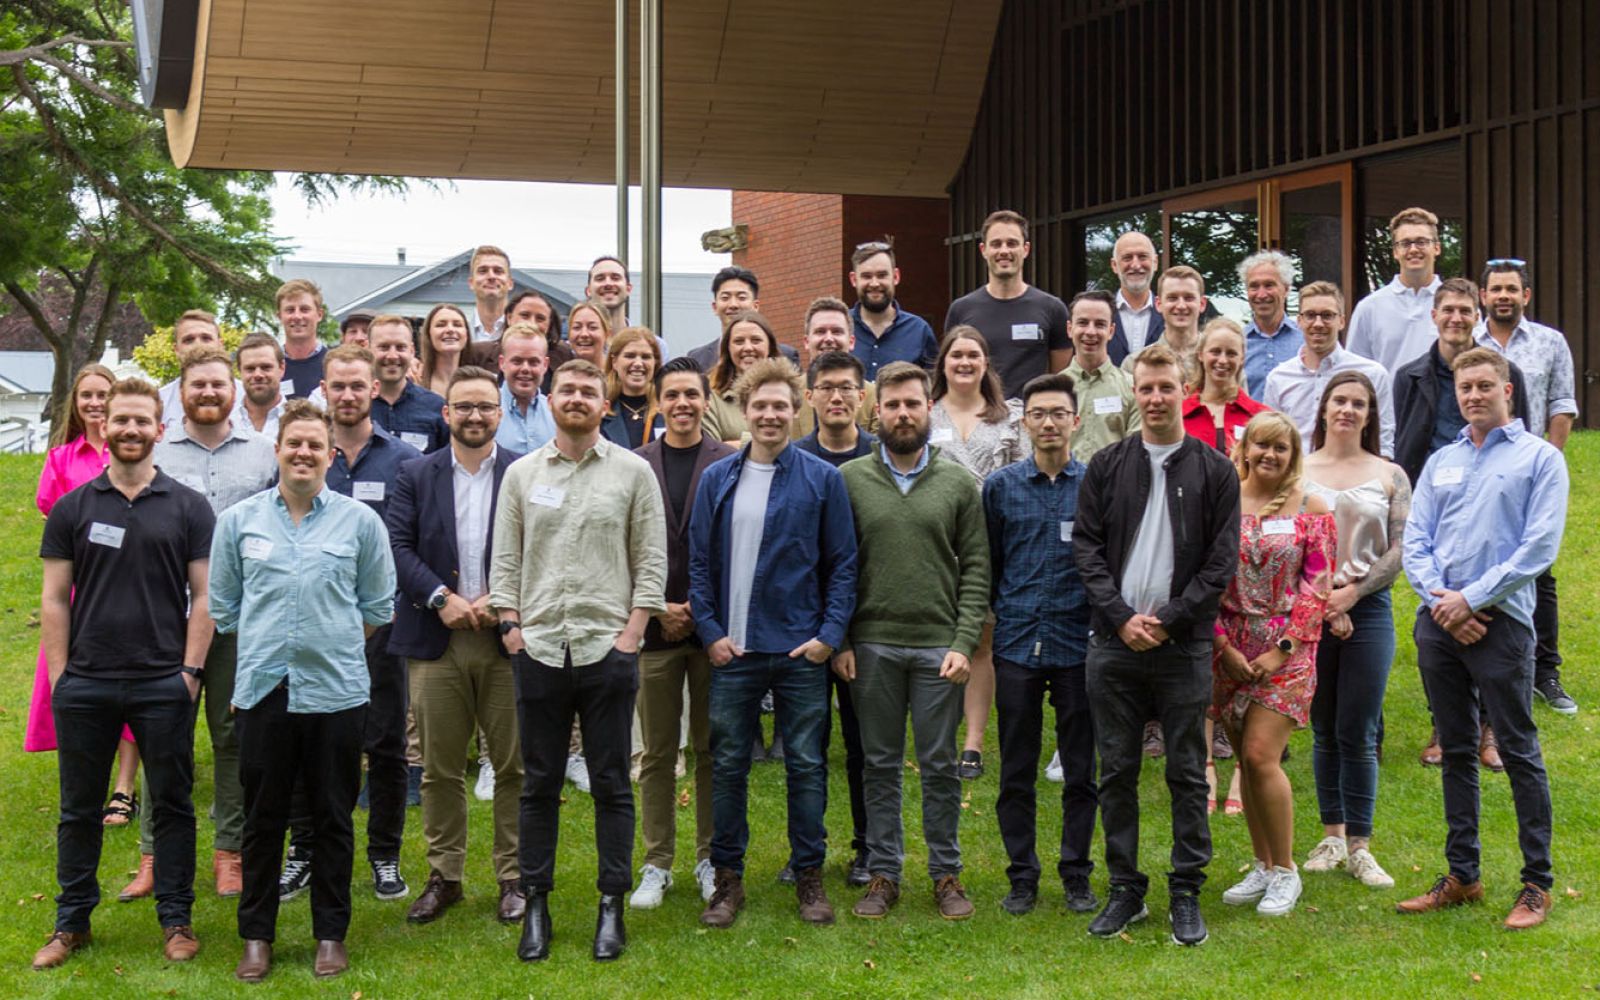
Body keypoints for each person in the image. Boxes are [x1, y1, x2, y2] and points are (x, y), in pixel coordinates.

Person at [32, 378, 215, 972]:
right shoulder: (73, 507)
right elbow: (55, 598)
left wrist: (189, 671)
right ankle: (71, 923)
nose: (131, 430)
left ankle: (177, 919)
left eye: (142, 420)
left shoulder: (188, 506)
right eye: (121, 421)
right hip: (87, 681)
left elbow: (206, 595)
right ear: (103, 428)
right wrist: (61, 676)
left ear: (159, 429)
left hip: (164, 681)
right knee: (78, 808)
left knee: (173, 804)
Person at [210, 400, 396, 981]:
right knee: (263, 818)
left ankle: (330, 935)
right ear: (278, 449)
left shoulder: (360, 523)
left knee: (333, 816)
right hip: (264, 688)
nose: (304, 453)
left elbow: (376, 607)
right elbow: (225, 608)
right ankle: (256, 937)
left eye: (316, 445)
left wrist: (325, 639)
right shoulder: (239, 522)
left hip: (337, 690)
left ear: (330, 454)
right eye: (294, 443)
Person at [490, 359, 668, 962]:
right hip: (538, 646)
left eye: (588, 391)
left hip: (606, 647)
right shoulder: (520, 475)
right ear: (550, 398)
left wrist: (633, 633)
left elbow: (650, 558)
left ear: (603, 401)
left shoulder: (633, 472)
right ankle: (535, 903)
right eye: (566, 389)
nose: (576, 398)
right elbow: (505, 560)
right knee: (537, 783)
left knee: (613, 782)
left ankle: (610, 904)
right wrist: (510, 627)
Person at [1072, 343, 1239, 946]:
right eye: (1146, 388)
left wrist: (1168, 619)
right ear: (1135, 393)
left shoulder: (1216, 470)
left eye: (1166, 387)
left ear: (1183, 388)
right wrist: (1120, 617)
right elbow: (1086, 551)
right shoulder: (1107, 465)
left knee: (1188, 772)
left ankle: (1186, 890)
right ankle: (1125, 889)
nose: (1156, 398)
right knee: (1115, 769)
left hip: (1183, 645)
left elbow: (1220, 563)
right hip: (1113, 644)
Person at [1396, 347, 1567, 931]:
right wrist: (1444, 602)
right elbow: (1415, 539)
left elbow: (1539, 548)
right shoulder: (1442, 461)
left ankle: (1536, 884)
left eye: (1484, 386)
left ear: (1507, 391)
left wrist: (1472, 599)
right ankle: (1463, 875)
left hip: (1502, 625)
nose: (1472, 395)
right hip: (1439, 622)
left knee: (1518, 749)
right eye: (1464, 387)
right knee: (1457, 751)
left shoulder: (1540, 460)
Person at [689, 359, 858, 928]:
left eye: (779, 405)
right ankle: (727, 880)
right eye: (758, 404)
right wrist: (710, 633)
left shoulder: (822, 479)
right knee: (729, 765)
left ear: (796, 409)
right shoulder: (717, 479)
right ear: (744, 408)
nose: (769, 414)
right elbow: (698, 565)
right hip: (732, 653)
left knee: (807, 766)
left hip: (797, 652)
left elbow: (843, 566)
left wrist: (827, 638)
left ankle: (809, 875)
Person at [836, 362, 989, 922]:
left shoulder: (956, 483)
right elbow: (837, 566)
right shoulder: (850, 480)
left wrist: (964, 640)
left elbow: (976, 568)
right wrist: (843, 640)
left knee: (940, 764)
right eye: (893, 404)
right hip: (871, 645)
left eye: (913, 404)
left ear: (931, 410)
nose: (903, 414)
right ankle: (883, 873)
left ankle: (945, 873)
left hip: (937, 647)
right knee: (877, 764)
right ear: (876, 412)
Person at [129, 346, 276, 904]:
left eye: (219, 384)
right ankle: (153, 856)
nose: (209, 393)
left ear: (233, 390)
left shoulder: (264, 455)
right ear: (182, 393)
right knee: (163, 737)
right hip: (165, 619)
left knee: (234, 735)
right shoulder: (156, 453)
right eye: (198, 386)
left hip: (241, 619)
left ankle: (229, 854)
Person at [278, 347, 423, 905]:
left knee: (385, 743)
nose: (346, 395)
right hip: (309, 625)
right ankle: (304, 850)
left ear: (373, 389)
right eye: (336, 385)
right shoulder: (308, 453)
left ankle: (385, 855)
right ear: (325, 391)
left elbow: (405, 540)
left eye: (356, 386)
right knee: (305, 740)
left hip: (379, 625)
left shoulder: (402, 460)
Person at [387, 366, 526, 927]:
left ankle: (513, 876)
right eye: (462, 406)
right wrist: (440, 596)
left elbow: (538, 545)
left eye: (484, 407)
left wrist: (503, 597)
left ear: (499, 412)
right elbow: (396, 545)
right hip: (435, 636)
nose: (474, 416)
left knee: (513, 765)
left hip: (504, 639)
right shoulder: (414, 474)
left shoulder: (523, 472)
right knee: (439, 769)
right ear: (446, 414)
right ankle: (445, 876)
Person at [1394, 278, 1530, 767]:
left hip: (1495, 512)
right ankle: (1446, 723)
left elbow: (1522, 437)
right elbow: (1406, 439)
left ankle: (1490, 729)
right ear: (1434, 315)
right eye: (1447, 309)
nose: (1456, 317)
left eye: (1465, 310)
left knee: (1489, 621)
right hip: (1438, 502)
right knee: (1442, 618)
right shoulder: (1410, 375)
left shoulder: (1503, 371)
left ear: (1478, 315)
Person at [983, 372, 1098, 918]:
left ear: (1075, 421)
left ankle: (1076, 874)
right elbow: (991, 565)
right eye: (1038, 413)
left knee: (1081, 770)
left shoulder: (1095, 484)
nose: (1048, 423)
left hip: (1079, 644)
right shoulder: (1001, 487)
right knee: (1017, 770)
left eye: (1058, 413)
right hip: (1017, 642)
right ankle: (1022, 875)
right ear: (1023, 421)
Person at [1212, 412, 1335, 919]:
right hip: (1230, 647)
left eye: (1281, 448)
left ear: (1293, 454)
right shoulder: (1222, 503)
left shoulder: (1313, 505)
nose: (1270, 455)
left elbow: (1318, 587)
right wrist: (1223, 646)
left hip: (1288, 647)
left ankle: (1286, 870)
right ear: (1244, 448)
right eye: (1261, 445)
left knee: (1263, 755)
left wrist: (1281, 648)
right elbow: (1206, 577)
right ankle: (1261, 863)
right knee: (1243, 757)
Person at [629, 357, 736, 911]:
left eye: (692, 394)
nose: (683, 404)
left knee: (711, 749)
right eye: (672, 395)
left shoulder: (729, 460)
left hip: (712, 630)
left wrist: (702, 608)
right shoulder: (634, 464)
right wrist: (655, 608)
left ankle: (710, 857)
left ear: (705, 400)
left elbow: (739, 546)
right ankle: (657, 861)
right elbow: (621, 547)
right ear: (658, 403)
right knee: (656, 753)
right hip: (653, 631)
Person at [1301, 372, 1410, 890]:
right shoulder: (1298, 471)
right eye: (1339, 400)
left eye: (1358, 404)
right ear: (1323, 408)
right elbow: (1289, 543)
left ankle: (1362, 846)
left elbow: (1398, 550)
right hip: (1310, 611)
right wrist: (1323, 601)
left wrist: (1353, 594)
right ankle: (1332, 834)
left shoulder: (1390, 474)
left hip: (1368, 611)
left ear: (1370, 415)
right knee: (1323, 727)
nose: (1347, 410)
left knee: (1359, 730)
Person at [1472, 259, 1579, 715]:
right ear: (1483, 296)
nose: (1503, 296)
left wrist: (1548, 461)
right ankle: (1475, 667)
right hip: (1478, 471)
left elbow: (1561, 405)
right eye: (1496, 289)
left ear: (1525, 296)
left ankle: (1544, 672)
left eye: (1512, 289)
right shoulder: (1468, 341)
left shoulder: (1551, 342)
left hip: (1531, 467)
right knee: (1477, 561)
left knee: (1540, 567)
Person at [928, 326, 1021, 780]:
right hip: (936, 543)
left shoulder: (1009, 418)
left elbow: (1020, 480)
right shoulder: (925, 416)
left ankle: (973, 744)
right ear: (942, 363)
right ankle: (939, 736)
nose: (964, 362)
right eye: (955, 355)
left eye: (973, 354)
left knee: (981, 641)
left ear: (986, 363)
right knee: (940, 640)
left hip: (990, 542)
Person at [27, 364, 116, 766]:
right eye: (87, 396)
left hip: (129, 582)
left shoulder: (133, 449)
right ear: (76, 405)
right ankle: (85, 766)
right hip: (80, 586)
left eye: (103, 394)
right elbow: (53, 521)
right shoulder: (61, 460)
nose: (95, 403)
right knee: (73, 680)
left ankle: (124, 785)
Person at [944, 210, 1071, 396]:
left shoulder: (1053, 308)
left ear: (1025, 249)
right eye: (996, 244)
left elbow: (1059, 378)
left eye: (1012, 243)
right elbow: (951, 373)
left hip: (1031, 420)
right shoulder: (961, 309)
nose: (1004, 251)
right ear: (983, 250)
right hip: (977, 419)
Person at [1261, 281, 1395, 458]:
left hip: (1353, 479)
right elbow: (1270, 438)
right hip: (1295, 481)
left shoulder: (1373, 375)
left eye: (1327, 315)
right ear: (1299, 321)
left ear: (1341, 321)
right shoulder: (1279, 378)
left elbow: (1383, 444)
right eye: (1310, 315)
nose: (1318, 323)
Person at [1345, 207, 1444, 372]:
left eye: (1421, 242)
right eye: (1405, 243)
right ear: (1395, 252)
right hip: (1387, 398)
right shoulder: (1369, 308)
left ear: (1437, 248)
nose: (1413, 249)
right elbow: (1355, 371)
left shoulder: (1456, 305)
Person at [1063, 290, 1140, 465]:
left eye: (1100, 324)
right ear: (1070, 329)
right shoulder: (1054, 390)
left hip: (1115, 488)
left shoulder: (1132, 388)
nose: (1090, 332)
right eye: (1082, 323)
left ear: (1111, 331)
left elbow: (1136, 451)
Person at [847, 241, 937, 378]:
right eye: (866, 276)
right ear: (854, 280)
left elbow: (933, 388)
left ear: (896, 276)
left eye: (882, 275)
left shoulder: (919, 330)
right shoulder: (840, 329)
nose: (875, 283)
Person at [686, 268, 800, 371]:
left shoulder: (786, 356)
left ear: (755, 306)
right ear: (715, 307)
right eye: (725, 298)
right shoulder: (697, 359)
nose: (733, 304)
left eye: (741, 297)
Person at [1182, 317, 1268, 454]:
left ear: (1242, 359)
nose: (1222, 360)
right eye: (1215, 352)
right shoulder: (1179, 415)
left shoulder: (1261, 416)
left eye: (1231, 353)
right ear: (1200, 355)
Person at [796, 296, 877, 437]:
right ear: (806, 341)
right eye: (820, 331)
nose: (828, 338)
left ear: (851, 341)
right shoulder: (788, 393)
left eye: (837, 332)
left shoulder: (874, 396)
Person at [369, 314, 448, 453]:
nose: (392, 356)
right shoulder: (355, 407)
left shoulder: (436, 408)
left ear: (411, 351)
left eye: (400, 347)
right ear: (368, 350)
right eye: (384, 347)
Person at [703, 310, 784, 445]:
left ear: (770, 345)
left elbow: (799, 443)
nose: (748, 347)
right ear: (727, 348)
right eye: (739, 341)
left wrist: (735, 444)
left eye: (756, 340)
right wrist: (766, 443)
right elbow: (711, 452)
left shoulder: (790, 390)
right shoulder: (710, 395)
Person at [156, 310, 240, 426]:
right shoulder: (160, 402)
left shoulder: (246, 397)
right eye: (188, 340)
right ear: (176, 350)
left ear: (221, 345)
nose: (198, 345)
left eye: (206, 338)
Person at [1127, 265, 1207, 381]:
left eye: (1189, 298)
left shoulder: (1219, 360)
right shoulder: (1134, 364)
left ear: (1202, 304)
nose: (1181, 306)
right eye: (1172, 298)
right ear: (1158, 304)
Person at [1238, 251, 1301, 398]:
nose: (1261, 294)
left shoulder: (1305, 342)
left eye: (1269, 285)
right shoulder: (1237, 344)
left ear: (1286, 289)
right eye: (1254, 286)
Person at [494, 323, 557, 454]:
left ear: (545, 365)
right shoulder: (485, 412)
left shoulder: (557, 414)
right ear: (502, 363)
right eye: (517, 361)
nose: (525, 369)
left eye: (533, 362)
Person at [601, 327, 666, 448]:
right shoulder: (599, 412)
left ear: (655, 363)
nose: (638, 363)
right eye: (630, 356)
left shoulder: (667, 410)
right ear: (614, 362)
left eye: (646, 357)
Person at [1108, 231, 1162, 364]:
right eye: (1127, 258)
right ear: (1114, 265)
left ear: (1155, 262)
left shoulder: (1169, 315)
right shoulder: (1100, 316)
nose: (1136, 265)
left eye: (1143, 257)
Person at [277, 279, 330, 399]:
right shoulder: (270, 367)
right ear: (279, 316)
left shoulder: (334, 365)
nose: (297, 316)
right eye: (290, 310)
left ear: (319, 315)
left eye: (304, 309)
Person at [234, 333, 289, 440]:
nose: (257, 375)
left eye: (266, 367)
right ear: (240, 370)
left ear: (282, 368)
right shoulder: (227, 423)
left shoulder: (300, 422)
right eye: (250, 368)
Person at [419, 303, 472, 398]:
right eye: (440, 325)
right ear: (428, 334)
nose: (450, 329)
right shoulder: (416, 380)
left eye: (457, 325)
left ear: (466, 335)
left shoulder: (477, 382)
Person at [467, 245, 512, 343]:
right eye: (483, 271)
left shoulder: (525, 334)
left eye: (498, 271)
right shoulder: (461, 336)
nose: (491, 276)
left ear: (510, 283)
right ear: (471, 283)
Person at [586, 255, 632, 332]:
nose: (608, 284)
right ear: (588, 291)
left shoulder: (652, 343)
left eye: (615, 278)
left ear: (628, 289)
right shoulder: (572, 344)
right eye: (600, 279)